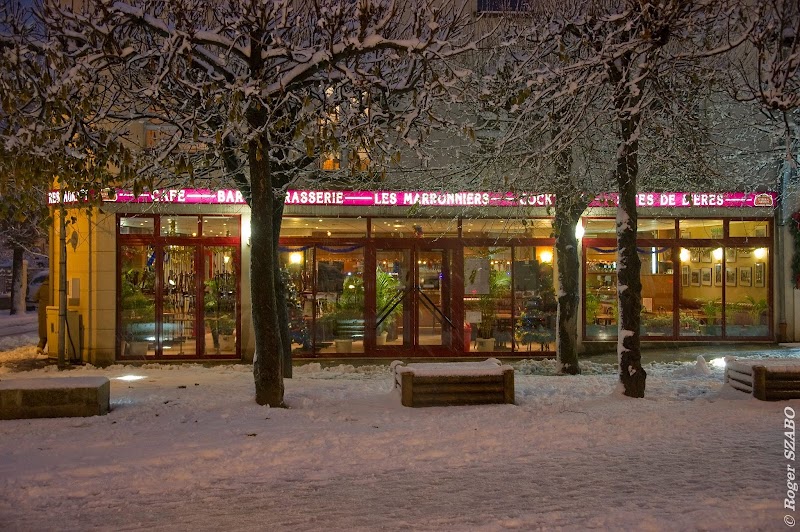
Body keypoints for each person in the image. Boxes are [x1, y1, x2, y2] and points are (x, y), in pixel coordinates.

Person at [36, 278, 49, 355]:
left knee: (43, 329)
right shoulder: (54, 286)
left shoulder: (42, 286)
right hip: (51, 309)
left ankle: (40, 347)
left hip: (42, 310)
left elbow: (35, 297)